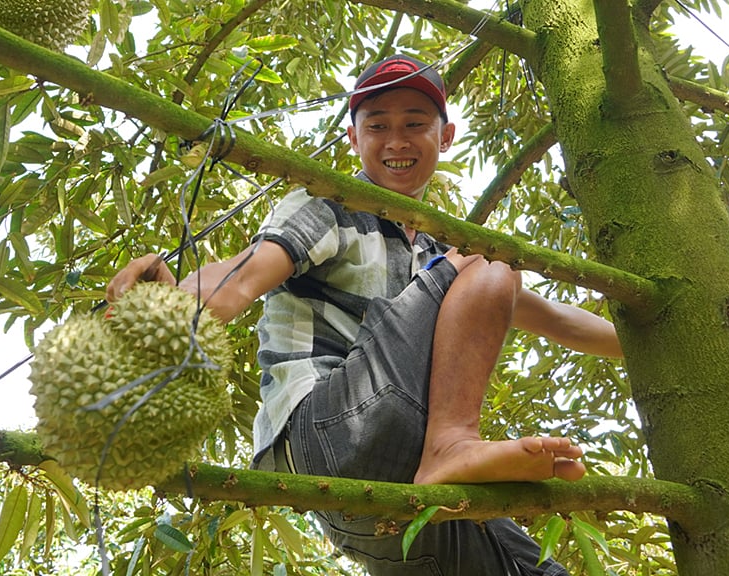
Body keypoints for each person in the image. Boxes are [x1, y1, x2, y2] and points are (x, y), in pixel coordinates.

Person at [107, 55, 623, 575]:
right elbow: (241, 278)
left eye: (414, 124)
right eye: (377, 126)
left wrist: (648, 343)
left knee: (536, 570)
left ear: (445, 137)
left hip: (370, 503)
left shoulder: (449, 259)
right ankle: (452, 442)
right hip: (326, 432)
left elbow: (556, 319)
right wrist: (175, 298)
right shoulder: (330, 204)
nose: (396, 140)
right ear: (354, 140)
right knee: (492, 253)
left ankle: (447, 450)